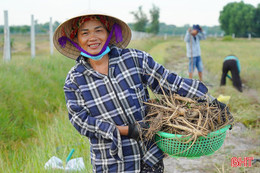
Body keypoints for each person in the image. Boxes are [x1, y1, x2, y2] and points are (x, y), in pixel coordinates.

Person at [53, 12, 227, 173]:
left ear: (108, 33)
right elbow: (80, 121)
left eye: (98, 30)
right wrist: (126, 130)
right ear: (76, 38)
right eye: (85, 33)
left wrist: (208, 99)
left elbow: (169, 82)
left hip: (148, 158)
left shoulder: (134, 59)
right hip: (110, 163)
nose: (93, 38)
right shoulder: (75, 79)